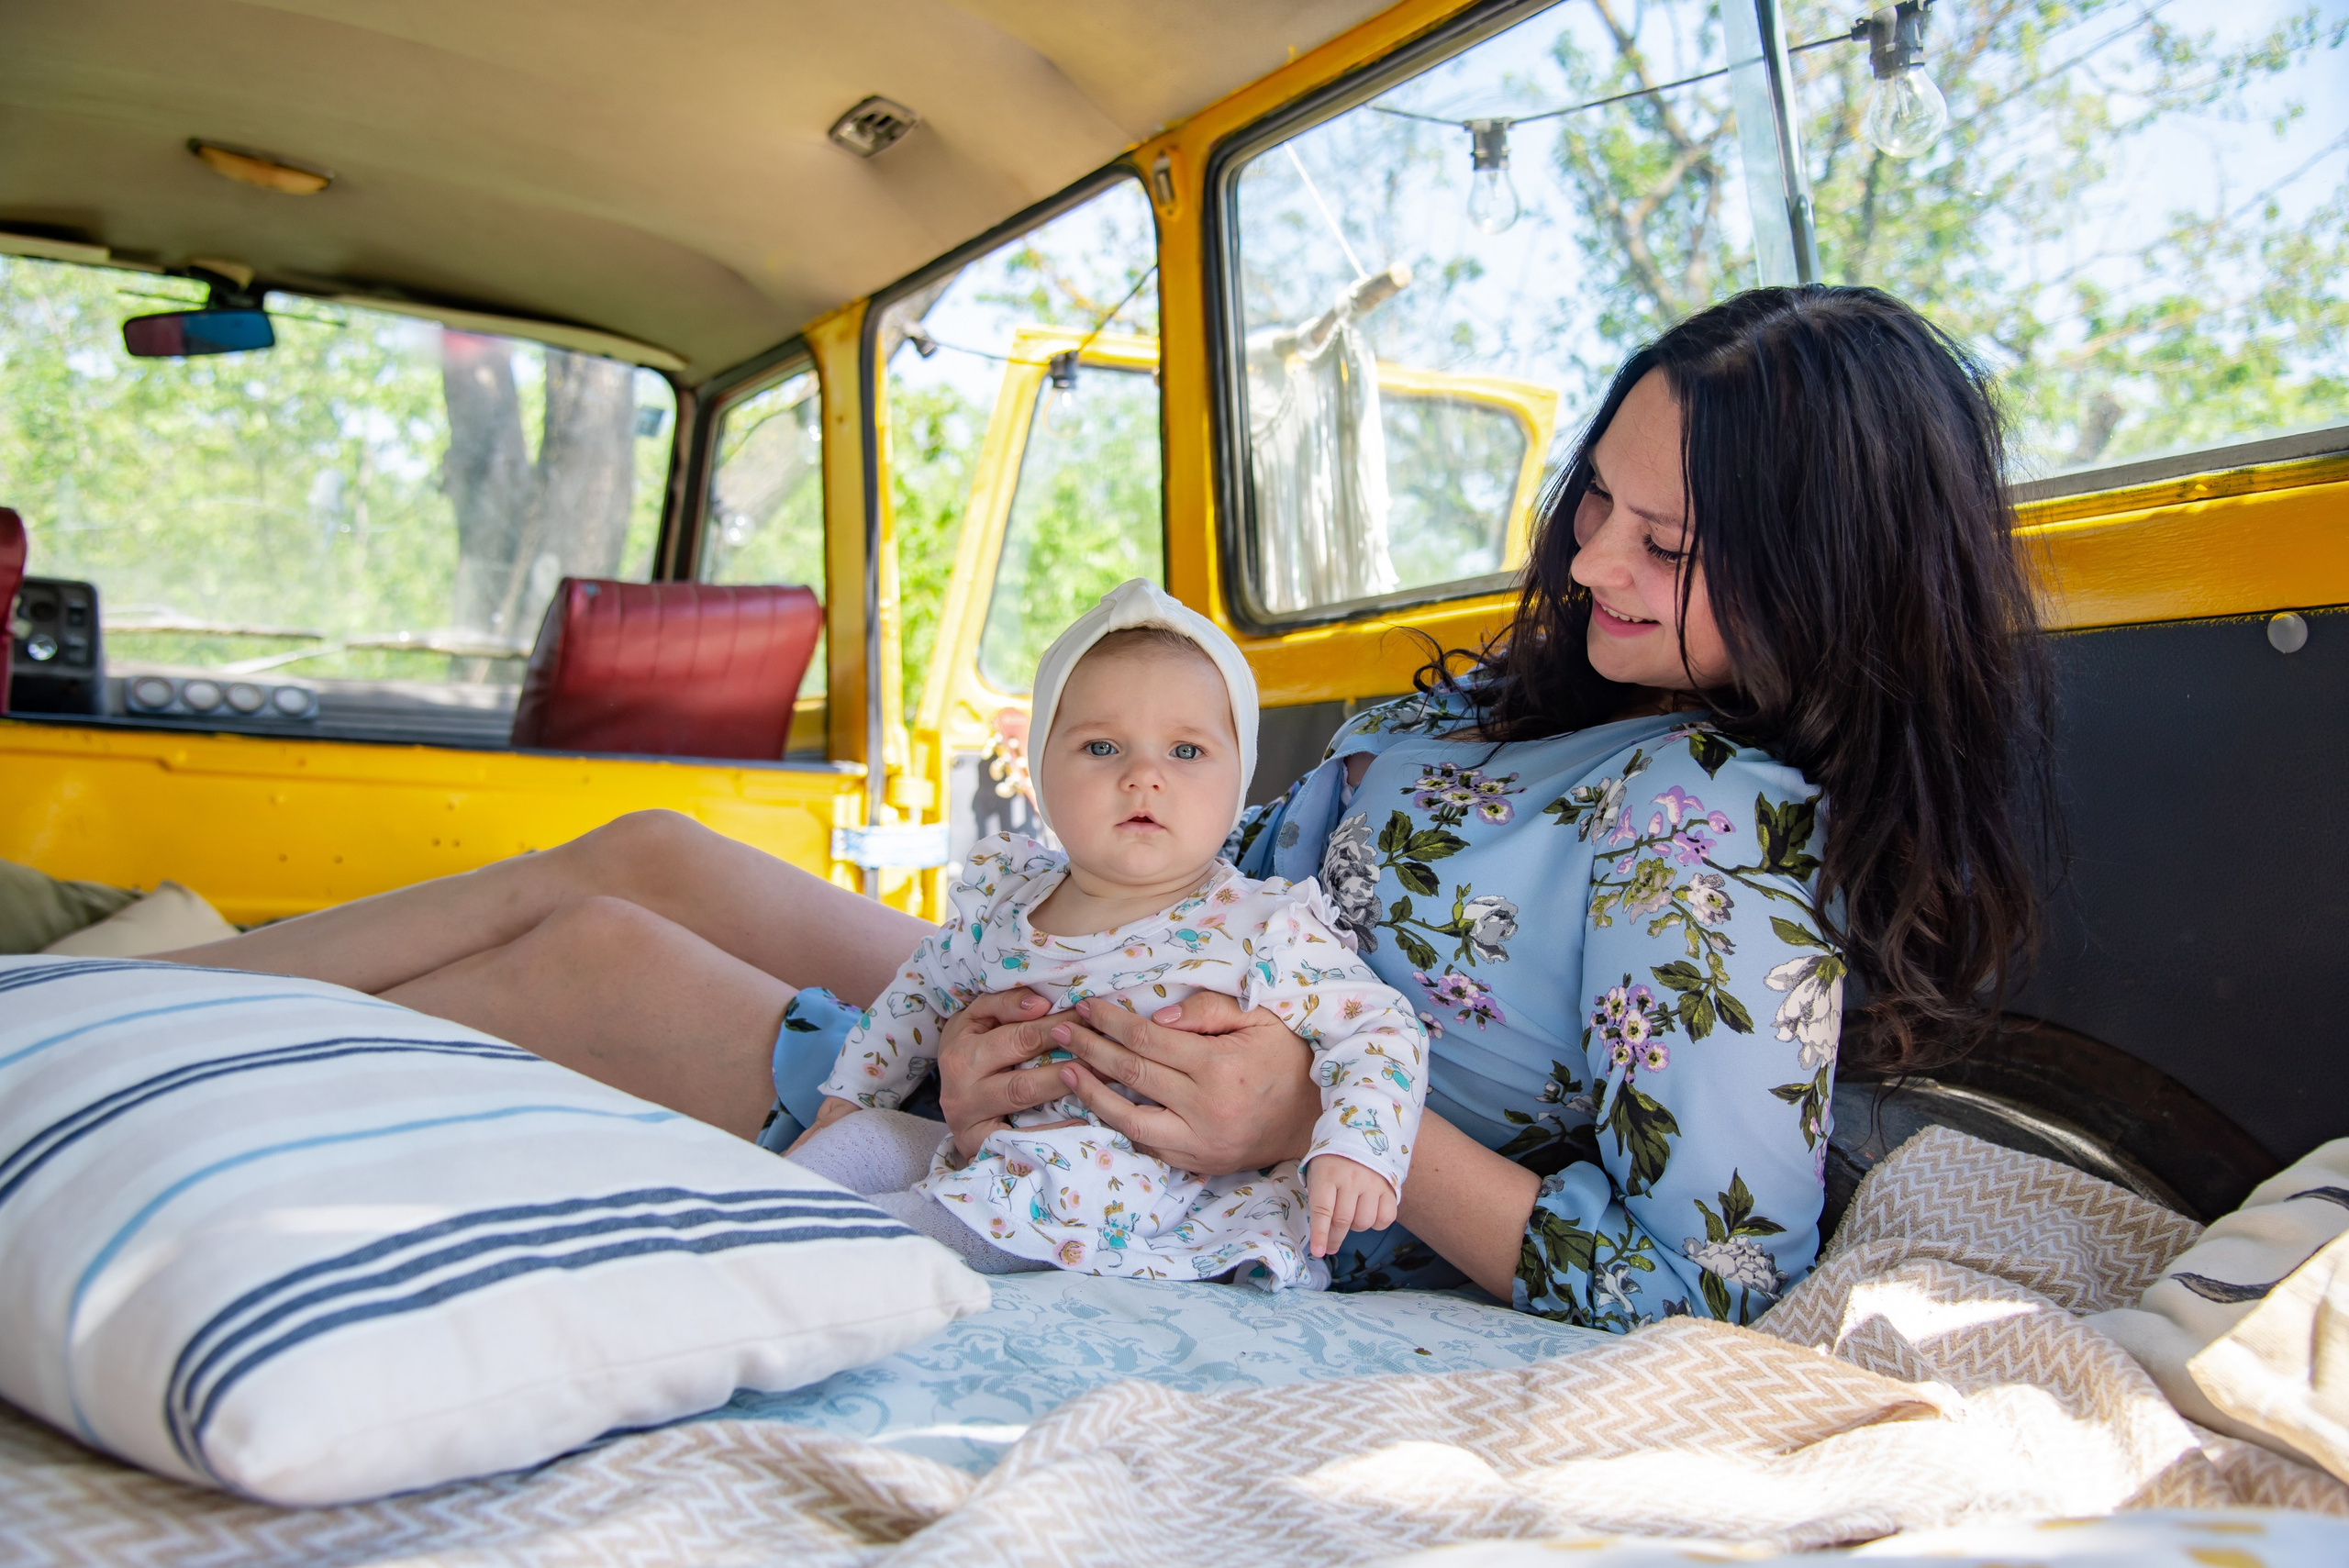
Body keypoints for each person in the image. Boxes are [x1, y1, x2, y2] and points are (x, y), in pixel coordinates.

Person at [163, 285, 2052, 1330]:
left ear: (1827, 569)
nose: (1591, 563)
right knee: (651, 850)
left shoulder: (1713, 837)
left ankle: (136, 1072)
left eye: (1669, 542)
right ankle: (143, 998)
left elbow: (1698, 1288)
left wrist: (1311, 1116)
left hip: (1155, 1134)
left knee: (594, 955)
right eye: (1591, 502)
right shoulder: (1543, 705)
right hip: (1097, 965)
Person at [786, 579, 1427, 1289]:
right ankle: (752, 1224)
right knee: (859, 1144)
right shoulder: (1008, 900)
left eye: (1185, 752)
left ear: (1237, 779)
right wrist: (851, 1099)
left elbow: (1381, 1028)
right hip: (994, 1150)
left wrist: (1359, 1147)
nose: (1143, 776)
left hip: (1148, 1184)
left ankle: (850, 1256)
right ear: (1041, 772)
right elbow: (913, 999)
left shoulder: (1262, 927)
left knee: (1058, 1178)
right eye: (1102, 746)